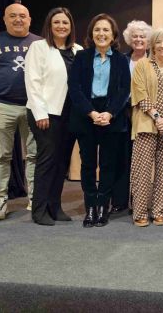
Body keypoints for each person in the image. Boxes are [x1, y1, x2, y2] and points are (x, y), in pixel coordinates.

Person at [0, 2, 41, 219]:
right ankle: (1, 200)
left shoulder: (39, 43)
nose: (18, 19)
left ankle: (35, 199)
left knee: (34, 155)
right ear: (4, 19)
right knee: (1, 155)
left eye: (22, 15)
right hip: (2, 106)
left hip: (33, 107)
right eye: (13, 16)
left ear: (29, 19)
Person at [68, 13, 130, 228]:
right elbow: (74, 89)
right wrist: (92, 113)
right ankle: (90, 207)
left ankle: (103, 206)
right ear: (91, 34)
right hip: (86, 116)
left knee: (107, 164)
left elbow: (124, 90)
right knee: (87, 165)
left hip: (111, 117)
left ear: (113, 35)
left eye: (105, 30)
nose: (101, 33)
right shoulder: (82, 57)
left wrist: (110, 113)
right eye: (97, 30)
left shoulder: (121, 60)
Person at [25, 7, 82, 225]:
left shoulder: (78, 49)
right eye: (56, 22)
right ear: (49, 25)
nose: (61, 26)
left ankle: (55, 207)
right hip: (45, 114)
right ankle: (39, 210)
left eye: (65, 23)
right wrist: (40, 112)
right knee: (47, 161)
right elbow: (33, 81)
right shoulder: (38, 47)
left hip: (70, 114)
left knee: (61, 162)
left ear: (71, 26)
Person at [130, 28, 163, 227]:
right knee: (141, 171)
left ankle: (160, 211)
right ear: (153, 45)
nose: (162, 46)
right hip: (146, 124)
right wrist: (157, 117)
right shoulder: (142, 65)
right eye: (159, 42)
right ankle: (140, 212)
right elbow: (139, 93)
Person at [111, 20, 153, 215]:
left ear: (148, 39)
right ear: (129, 39)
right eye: (135, 36)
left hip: (146, 115)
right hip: (123, 114)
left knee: (143, 160)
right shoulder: (121, 59)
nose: (138, 39)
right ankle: (120, 200)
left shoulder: (154, 61)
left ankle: (140, 200)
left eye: (142, 36)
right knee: (122, 157)